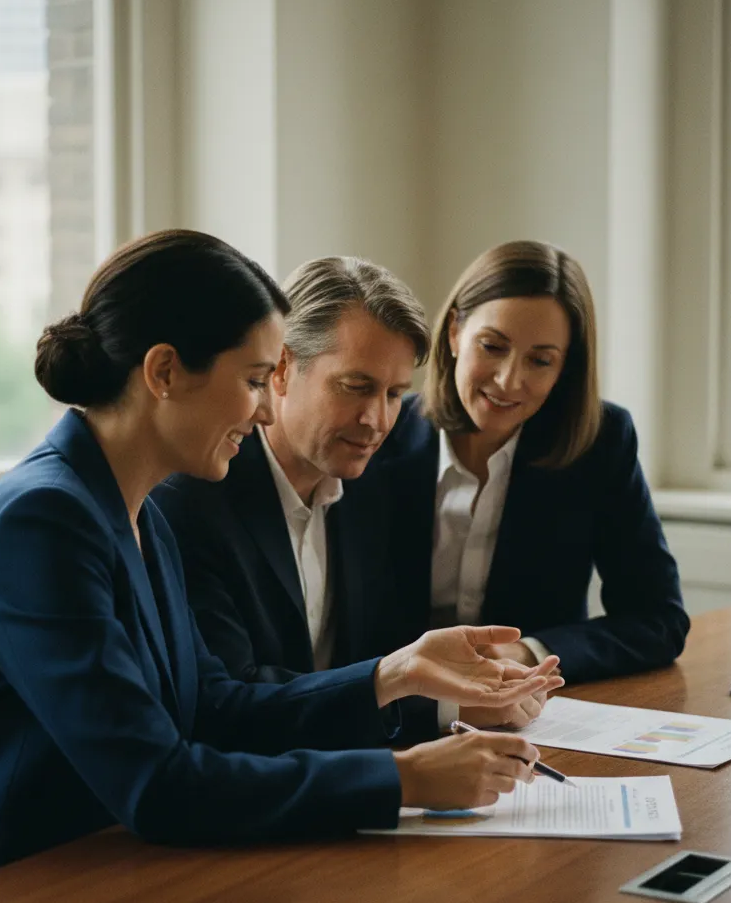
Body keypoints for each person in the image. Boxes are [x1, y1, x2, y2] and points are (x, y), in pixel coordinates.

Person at [0, 230, 550, 901]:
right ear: (165, 372)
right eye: (256, 380)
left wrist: (398, 673)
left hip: (113, 870)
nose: (265, 407)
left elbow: (217, 710)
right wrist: (404, 778)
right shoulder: (44, 523)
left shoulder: (134, 510)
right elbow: (158, 784)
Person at [152, 256, 563, 739]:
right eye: (356, 387)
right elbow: (229, 706)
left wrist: (458, 701)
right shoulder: (191, 499)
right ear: (281, 369)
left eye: (393, 394)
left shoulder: (373, 485)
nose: (378, 421)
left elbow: (365, 674)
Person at [368, 240, 689, 692]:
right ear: (456, 331)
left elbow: (659, 620)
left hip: (530, 715)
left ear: (565, 368)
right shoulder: (377, 430)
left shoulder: (601, 442)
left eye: (540, 360)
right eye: (492, 346)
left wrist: (526, 651)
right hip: (390, 712)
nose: (508, 380)